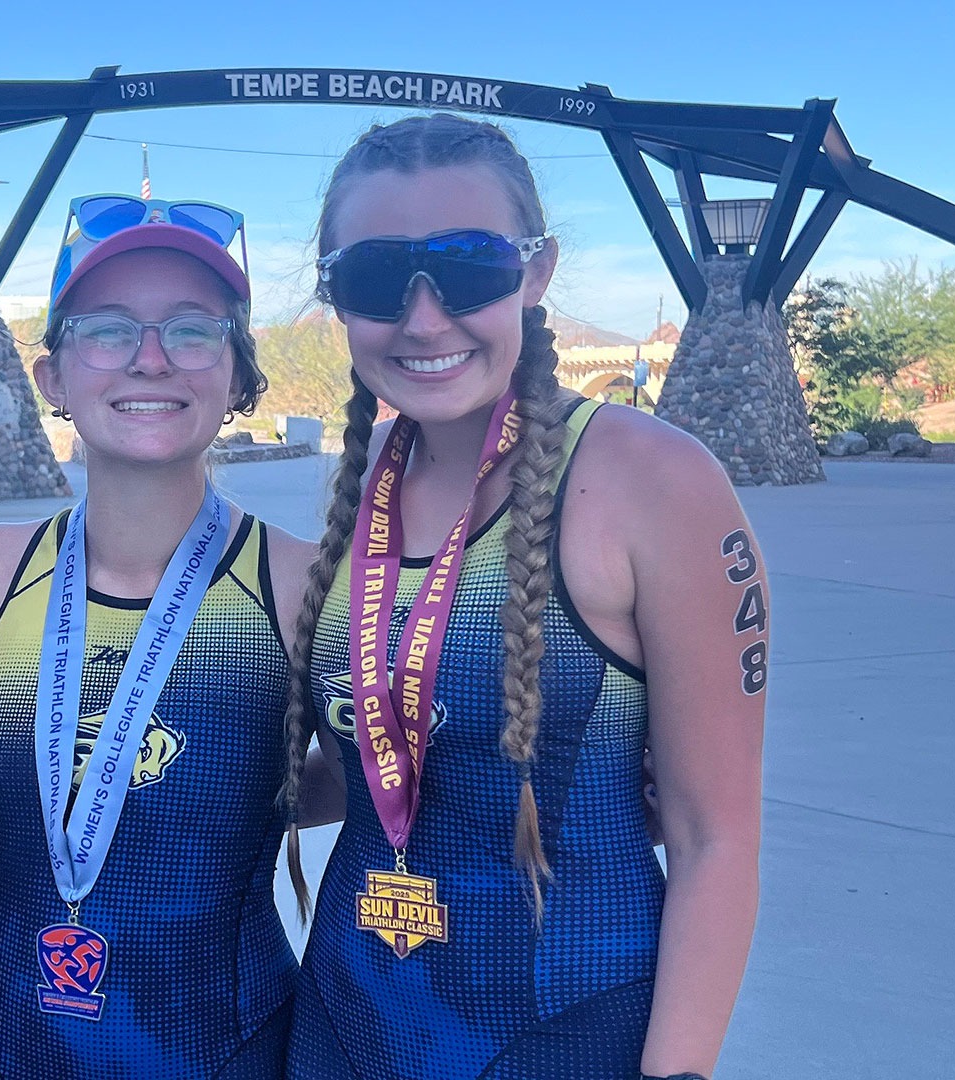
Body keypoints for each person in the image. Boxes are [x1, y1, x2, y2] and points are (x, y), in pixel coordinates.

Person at [280, 115, 765, 1080]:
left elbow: (716, 840)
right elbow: (386, 759)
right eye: (377, 278)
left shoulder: (653, 480)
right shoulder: (371, 475)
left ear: (535, 273)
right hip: (344, 1024)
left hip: (565, 1032)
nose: (423, 319)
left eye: (470, 267)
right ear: (336, 295)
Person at [0, 194, 313, 1079]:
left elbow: (388, 786)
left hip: (226, 1049)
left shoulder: (304, 586)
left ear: (238, 378)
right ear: (54, 380)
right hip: (0, 1048)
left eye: (192, 331)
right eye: (107, 330)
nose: (150, 359)